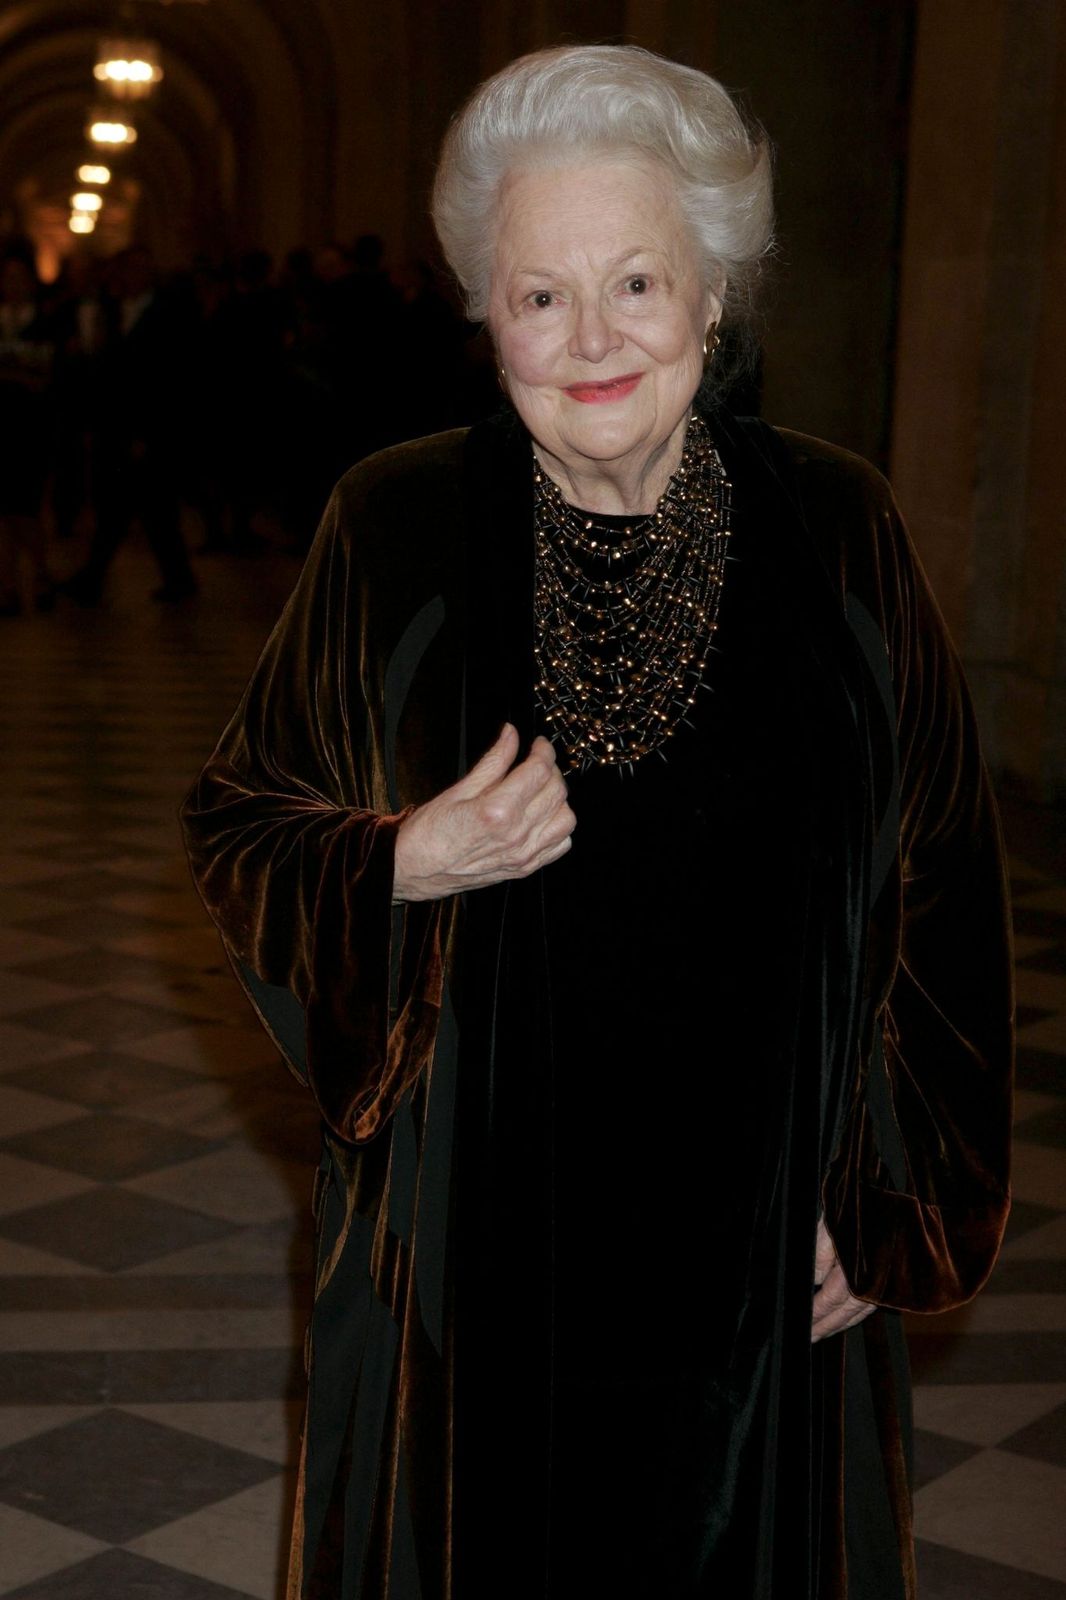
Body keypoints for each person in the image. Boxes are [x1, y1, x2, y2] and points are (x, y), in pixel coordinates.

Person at [181, 45, 1014, 1600]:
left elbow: (944, 872)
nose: (588, 340)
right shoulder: (395, 522)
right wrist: (401, 858)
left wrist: (889, 1193)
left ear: (715, 297)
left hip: (763, 1270)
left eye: (637, 281)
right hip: (471, 1275)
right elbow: (240, 823)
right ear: (483, 313)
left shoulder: (836, 527)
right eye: (537, 295)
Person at [0, 251, 56, 614]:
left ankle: (40, 573)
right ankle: (6, 586)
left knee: (25, 509)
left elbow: (44, 377)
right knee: (2, 512)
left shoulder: (45, 322)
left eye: (20, 277)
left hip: (30, 427)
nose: (14, 284)